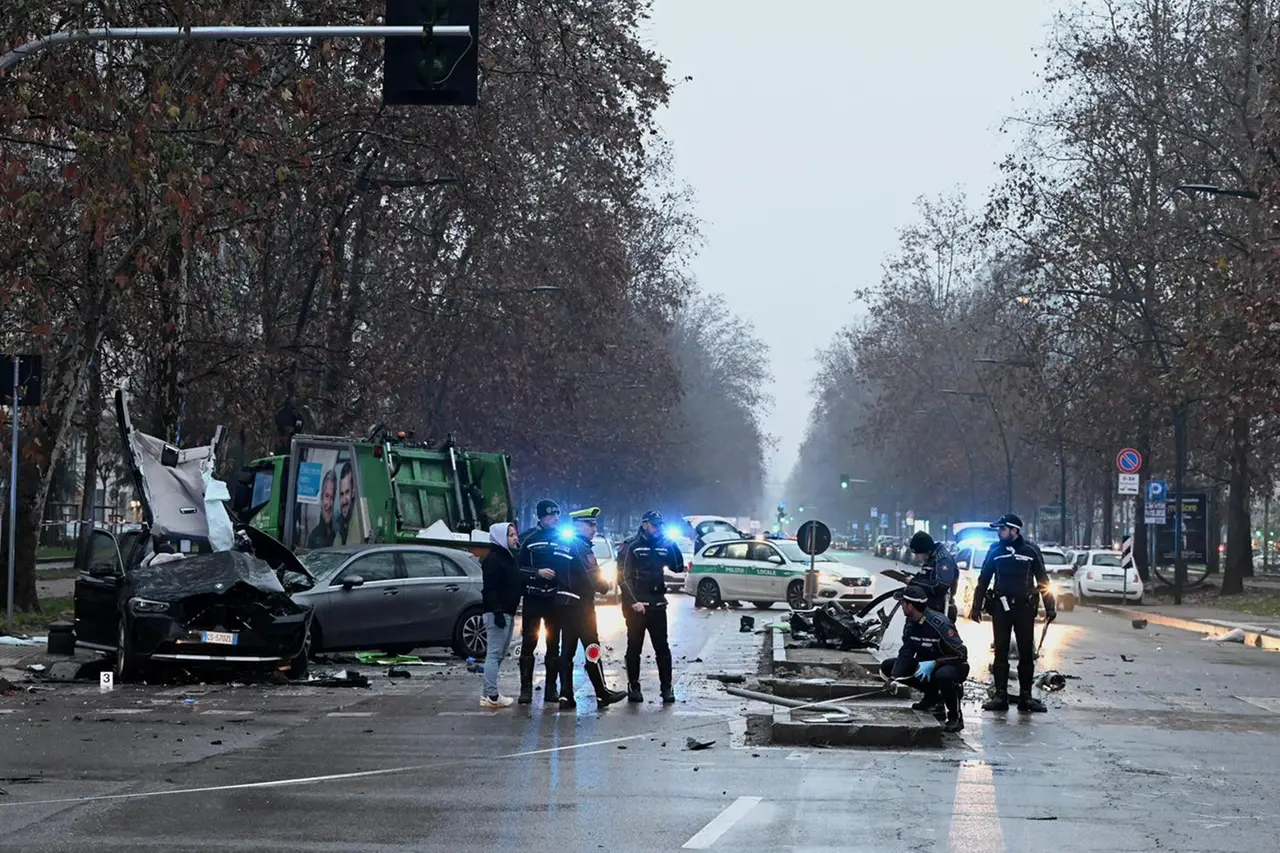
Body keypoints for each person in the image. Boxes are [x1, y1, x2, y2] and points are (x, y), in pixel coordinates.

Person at [969, 513, 1056, 714]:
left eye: (1002, 529)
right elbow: (983, 580)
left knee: (1026, 652)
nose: (999, 532)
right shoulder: (994, 551)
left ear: (1014, 531)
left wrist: (1050, 607)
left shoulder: (1031, 551)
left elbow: (1043, 581)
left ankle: (1026, 697)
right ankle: (1001, 695)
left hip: (1024, 609)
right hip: (1001, 608)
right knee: (1000, 650)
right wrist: (976, 606)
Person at [556, 506, 626, 709]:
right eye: (590, 524)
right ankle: (602, 693)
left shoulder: (563, 545)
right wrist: (605, 586)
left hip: (564, 604)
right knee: (592, 648)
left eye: (594, 524)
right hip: (581, 606)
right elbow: (593, 574)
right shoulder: (583, 548)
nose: (594, 529)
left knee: (566, 651)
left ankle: (565, 695)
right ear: (578, 525)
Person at [880, 585, 968, 733]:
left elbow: (961, 654)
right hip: (926, 664)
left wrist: (935, 663)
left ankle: (955, 717)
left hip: (951, 665)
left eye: (903, 603)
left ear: (909, 606)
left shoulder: (939, 624)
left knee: (944, 676)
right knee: (887, 667)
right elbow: (906, 652)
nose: (901, 606)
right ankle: (932, 697)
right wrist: (894, 677)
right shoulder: (911, 623)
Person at [619, 510, 682, 704]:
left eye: (660, 525)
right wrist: (633, 601)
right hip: (638, 605)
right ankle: (634, 686)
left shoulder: (664, 545)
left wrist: (672, 544)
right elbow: (623, 576)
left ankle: (666, 687)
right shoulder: (632, 546)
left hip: (657, 603)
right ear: (645, 524)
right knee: (634, 648)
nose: (658, 528)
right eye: (654, 525)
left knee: (662, 648)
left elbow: (678, 567)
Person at [515, 499, 565, 704]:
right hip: (533, 597)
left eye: (556, 515)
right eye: (550, 515)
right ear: (540, 517)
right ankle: (525, 689)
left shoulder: (564, 538)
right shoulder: (527, 538)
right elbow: (517, 568)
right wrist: (537, 573)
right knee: (529, 642)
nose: (554, 518)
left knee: (554, 644)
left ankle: (551, 689)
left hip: (554, 599)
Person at [479, 522, 522, 708]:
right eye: (510, 535)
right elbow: (490, 588)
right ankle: (491, 696)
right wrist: (496, 610)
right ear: (500, 537)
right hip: (498, 612)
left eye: (515, 534)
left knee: (500, 654)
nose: (515, 538)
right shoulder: (494, 559)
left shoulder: (508, 557)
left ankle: (487, 693)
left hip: (507, 612)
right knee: (494, 654)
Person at [908, 531, 959, 621]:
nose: (916, 557)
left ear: (927, 550)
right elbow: (927, 578)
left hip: (940, 611)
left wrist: (912, 581)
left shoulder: (943, 559)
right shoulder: (930, 557)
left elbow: (940, 586)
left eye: (918, 554)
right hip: (929, 608)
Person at [307, 469, 337, 549]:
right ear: (321, 499)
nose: (329, 504)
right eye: (327, 496)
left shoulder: (335, 534)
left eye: (332, 497)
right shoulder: (314, 537)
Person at [335, 460, 354, 544]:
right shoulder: (340, 524)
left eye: (347, 492)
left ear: (353, 492)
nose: (344, 500)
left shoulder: (356, 522)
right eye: (341, 494)